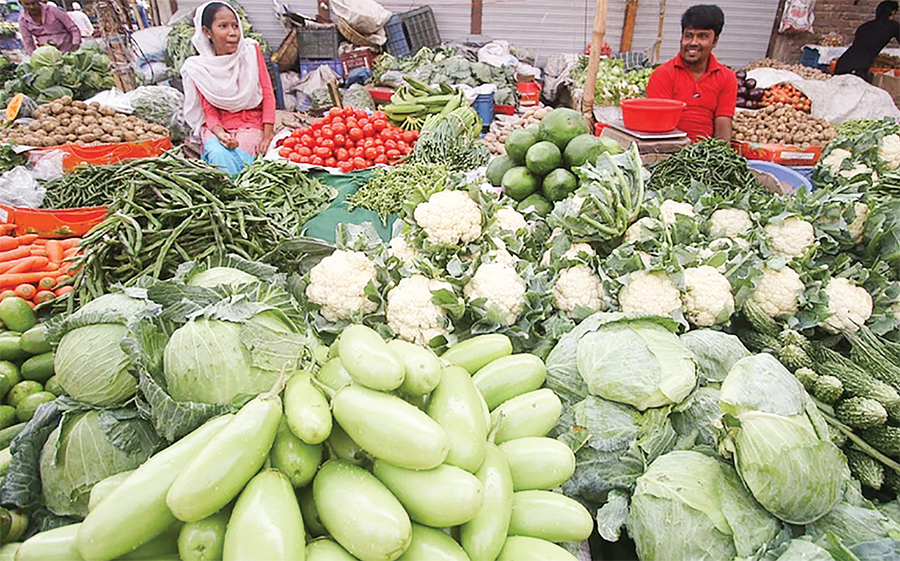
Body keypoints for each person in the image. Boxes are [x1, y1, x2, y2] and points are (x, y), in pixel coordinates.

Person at [180, 1, 275, 175]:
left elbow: (268, 94)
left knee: (246, 158)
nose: (233, 33)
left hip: (250, 123)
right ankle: (231, 197)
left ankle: (243, 194)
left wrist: (268, 135)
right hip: (217, 125)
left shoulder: (250, 52)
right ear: (207, 32)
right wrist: (220, 133)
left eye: (235, 26)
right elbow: (208, 109)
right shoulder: (199, 68)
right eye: (223, 26)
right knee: (218, 155)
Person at [645, 4, 737, 142]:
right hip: (670, 152)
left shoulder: (727, 77)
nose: (693, 42)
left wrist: (721, 158)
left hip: (706, 154)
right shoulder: (663, 74)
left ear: (715, 41)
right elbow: (658, 129)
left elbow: (723, 124)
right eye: (688, 35)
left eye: (703, 36)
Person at [834, 1, 900, 82]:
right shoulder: (893, 26)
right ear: (892, 12)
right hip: (860, 67)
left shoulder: (864, 27)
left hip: (843, 63)